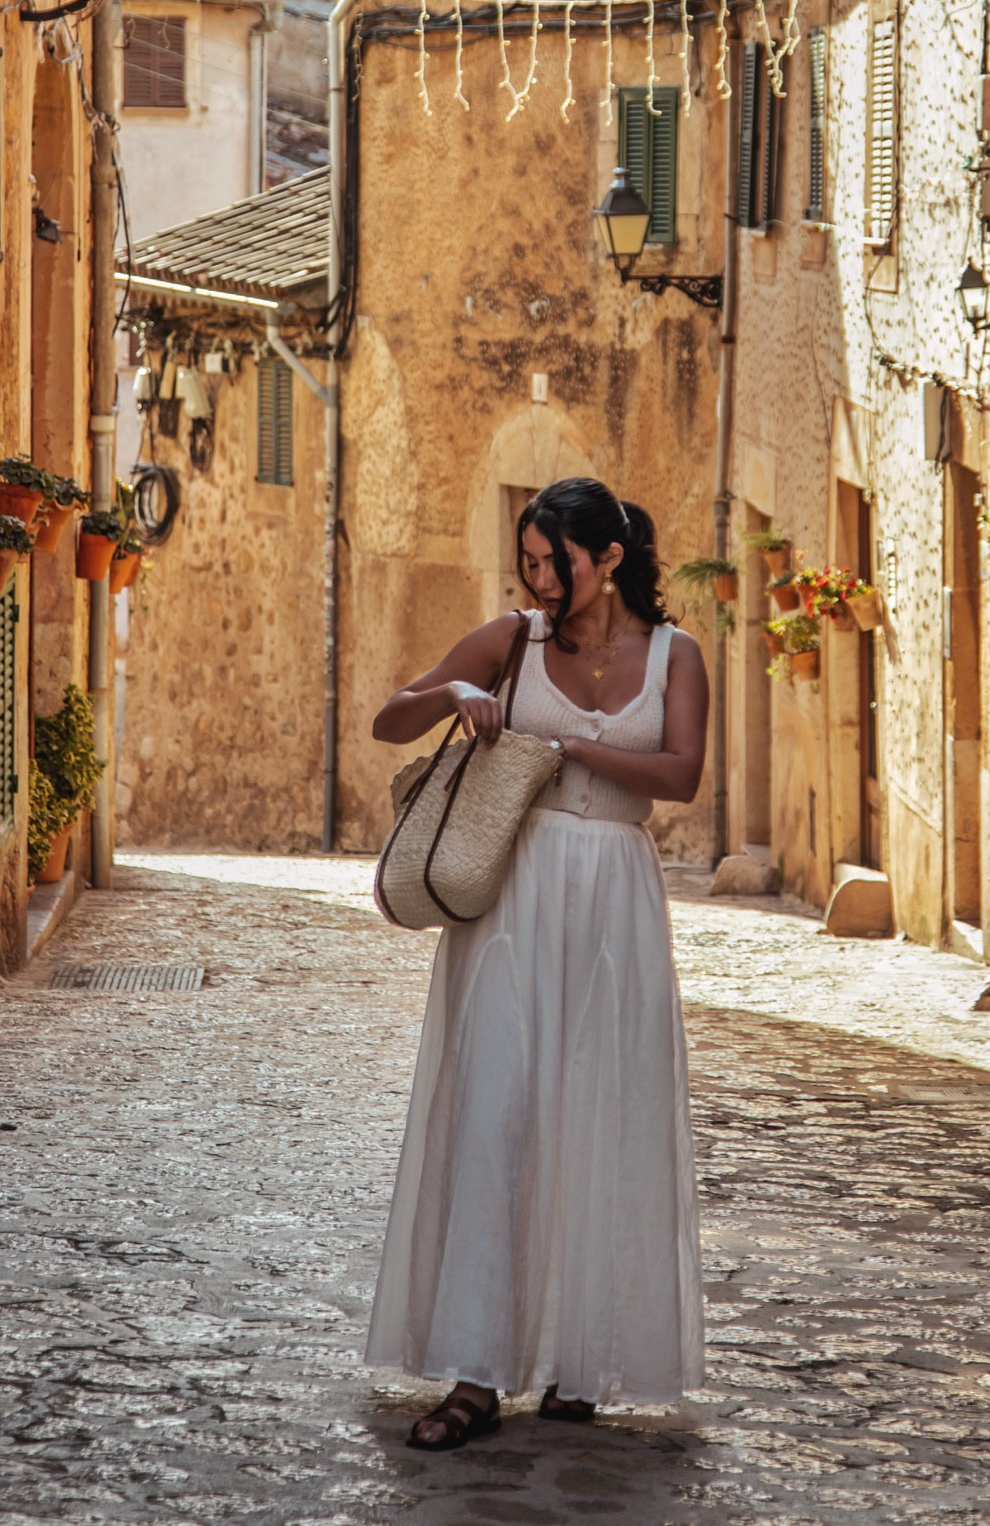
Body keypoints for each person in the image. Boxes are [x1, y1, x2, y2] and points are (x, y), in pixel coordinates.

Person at [365, 476, 708, 1450]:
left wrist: (564, 743)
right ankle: (474, 1372)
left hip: (615, 902)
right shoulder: (509, 641)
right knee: (496, 1114)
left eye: (557, 562)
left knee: (601, 1114)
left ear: (610, 558)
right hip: (514, 899)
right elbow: (392, 717)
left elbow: (681, 773)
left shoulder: (675, 656)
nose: (540, 580)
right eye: (529, 562)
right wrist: (456, 690)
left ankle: (577, 1362)